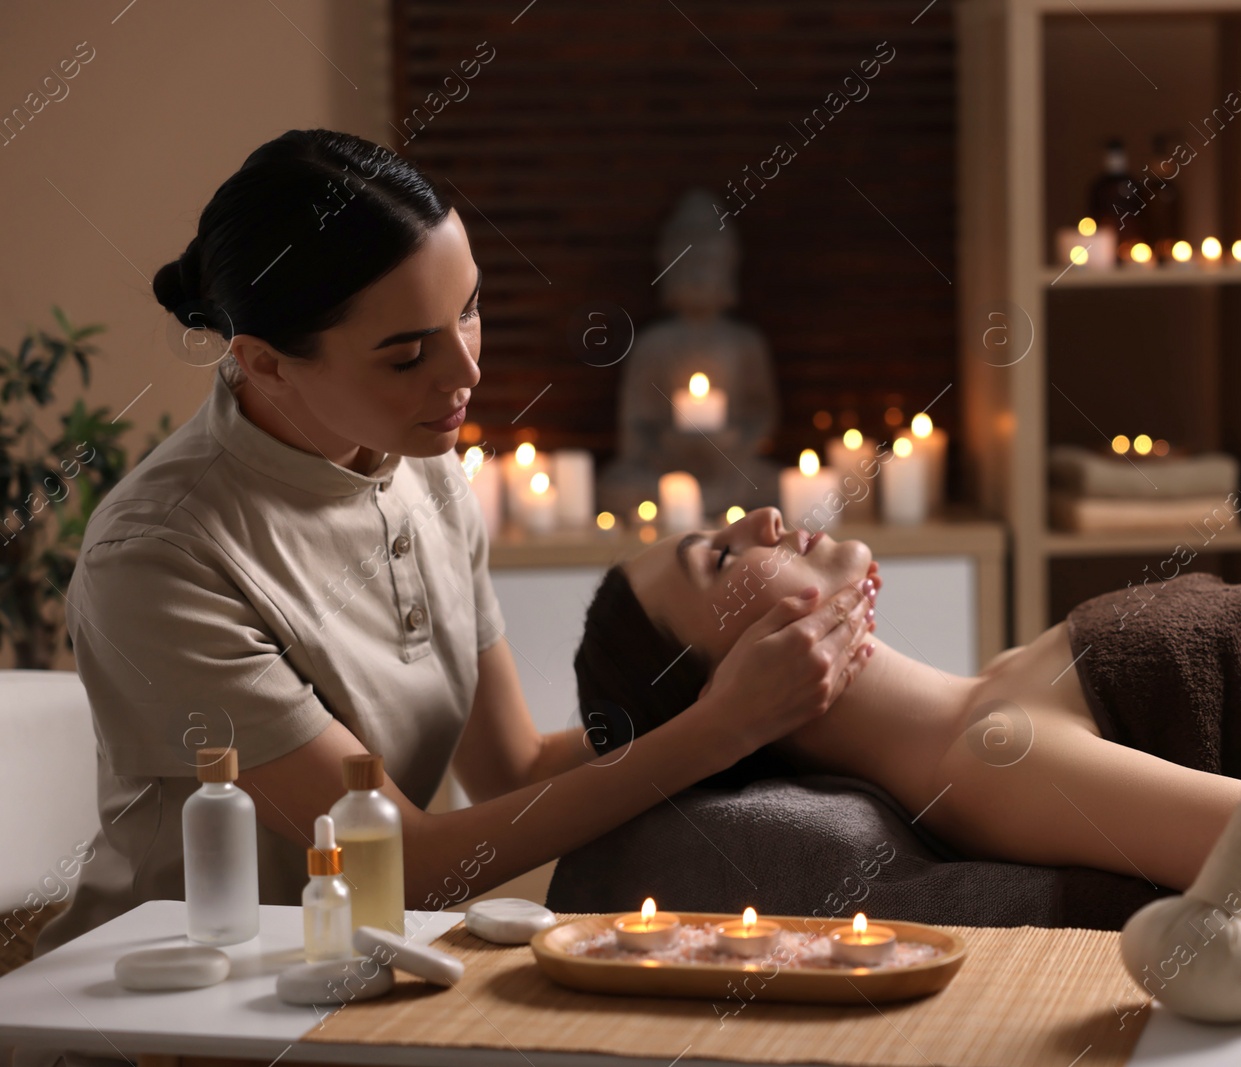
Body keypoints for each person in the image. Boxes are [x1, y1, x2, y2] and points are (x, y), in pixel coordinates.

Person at [34, 130, 877, 976]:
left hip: (350, 979)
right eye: (407, 354)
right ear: (264, 364)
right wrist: (718, 729)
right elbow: (408, 862)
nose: (466, 368)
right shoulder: (161, 558)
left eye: (470, 308)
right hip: (171, 1009)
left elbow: (510, 767)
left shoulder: (422, 472)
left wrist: (740, 685)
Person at [574, 504, 1241, 919]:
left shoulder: (999, 692)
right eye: (715, 554)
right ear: (732, 681)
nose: (754, 514)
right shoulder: (989, 755)